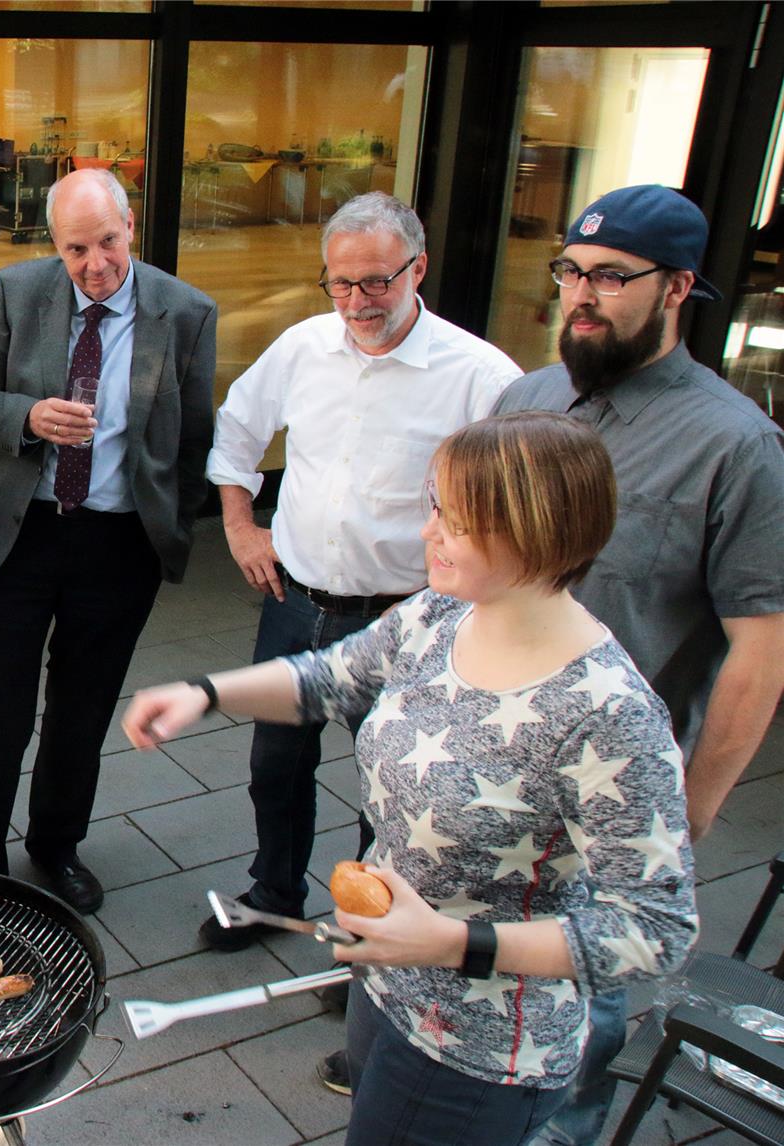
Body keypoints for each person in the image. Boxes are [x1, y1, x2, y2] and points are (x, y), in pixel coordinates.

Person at [123, 411, 698, 1146]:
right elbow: (328, 678)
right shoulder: (441, 613)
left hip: (479, 1048)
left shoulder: (607, 713)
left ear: (535, 531)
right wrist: (206, 693)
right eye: (434, 508)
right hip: (384, 980)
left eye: (453, 521)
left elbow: (654, 928)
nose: (428, 533)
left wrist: (453, 943)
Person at [491, 184, 784, 1146]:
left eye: (612, 277)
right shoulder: (526, 400)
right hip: (484, 761)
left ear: (678, 288)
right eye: (571, 270)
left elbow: (760, 655)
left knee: (576, 1040)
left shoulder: (738, 446)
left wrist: (686, 817)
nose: (583, 293)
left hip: (606, 802)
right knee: (462, 974)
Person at [203, 192, 521, 966]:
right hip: (294, 601)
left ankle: (377, 934)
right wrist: (242, 526)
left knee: (399, 793)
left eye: (375, 283)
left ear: (418, 268)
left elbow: (516, 505)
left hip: (406, 619)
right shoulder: (305, 346)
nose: (355, 303)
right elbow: (237, 430)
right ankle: (273, 894)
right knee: (275, 766)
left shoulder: (480, 377)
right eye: (339, 285)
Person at [0, 167, 218, 913]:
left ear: (130, 225)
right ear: (53, 245)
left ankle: (55, 845)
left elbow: (194, 438)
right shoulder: (15, 290)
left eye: (106, 242)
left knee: (83, 708)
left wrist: (170, 527)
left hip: (118, 541)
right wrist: (28, 417)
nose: (95, 265)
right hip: (21, 533)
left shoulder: (187, 312)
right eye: (75, 249)